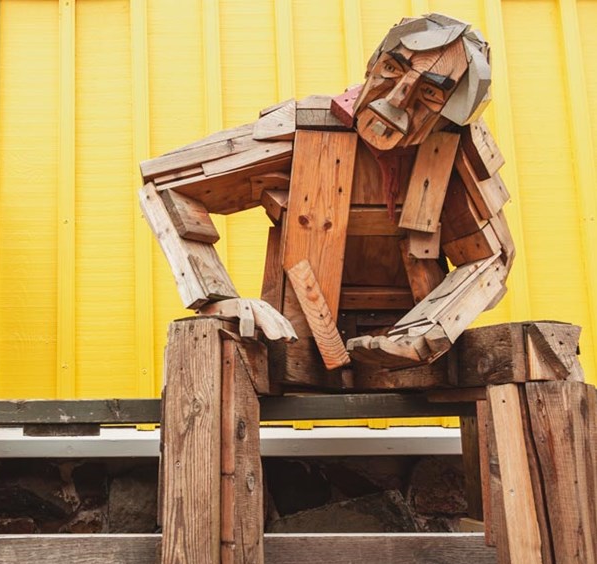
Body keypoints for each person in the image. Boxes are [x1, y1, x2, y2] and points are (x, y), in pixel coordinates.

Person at [140, 14, 511, 381]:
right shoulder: (306, 127)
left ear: (452, 112)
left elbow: (492, 256)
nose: (398, 99)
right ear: (373, 64)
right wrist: (217, 299)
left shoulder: (453, 149)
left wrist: (430, 329)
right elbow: (169, 185)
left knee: (529, 357)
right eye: (392, 69)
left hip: (415, 361)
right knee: (209, 354)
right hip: (293, 345)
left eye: (430, 92)